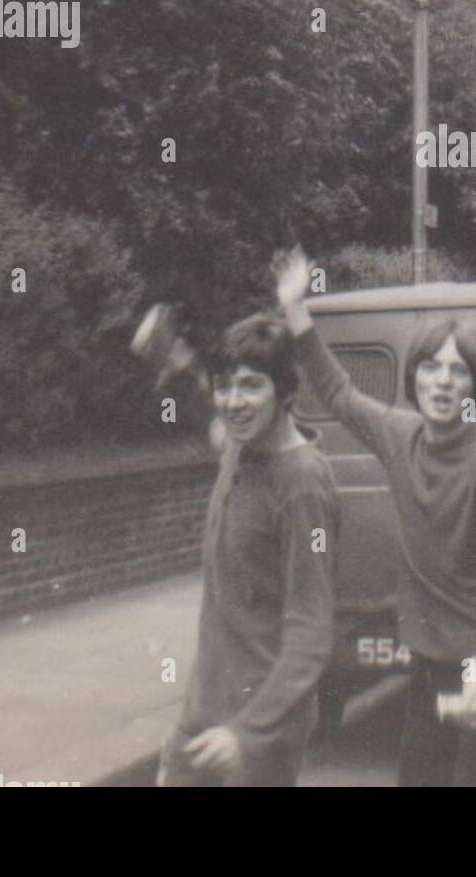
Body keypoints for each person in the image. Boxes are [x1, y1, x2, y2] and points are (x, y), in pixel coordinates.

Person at [274, 247, 476, 787]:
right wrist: (296, 311)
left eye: (458, 371)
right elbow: (339, 393)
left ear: (474, 388)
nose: (442, 381)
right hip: (432, 664)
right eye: (431, 367)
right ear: (415, 377)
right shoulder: (400, 436)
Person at [153, 310, 339, 787]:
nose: (233, 402)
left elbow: (312, 632)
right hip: (205, 710)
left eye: (251, 385)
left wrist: (249, 733)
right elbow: (215, 422)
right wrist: (182, 366)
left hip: (261, 729)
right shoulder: (242, 448)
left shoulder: (302, 485)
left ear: (285, 391)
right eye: (224, 385)